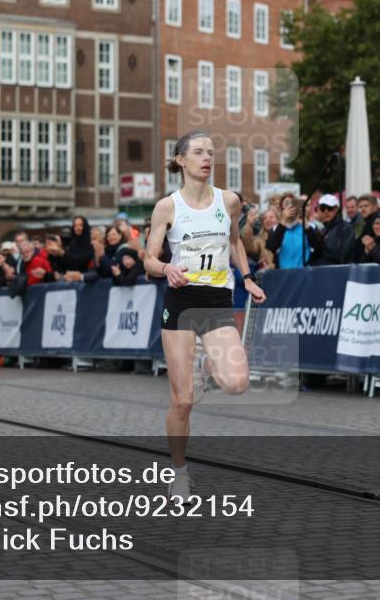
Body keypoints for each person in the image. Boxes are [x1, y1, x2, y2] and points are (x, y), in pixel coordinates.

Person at [143, 131, 266, 503]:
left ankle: (204, 359)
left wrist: (247, 276)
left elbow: (233, 242)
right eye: (198, 152)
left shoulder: (228, 201)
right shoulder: (167, 207)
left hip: (215, 301)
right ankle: (179, 473)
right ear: (180, 160)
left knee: (238, 383)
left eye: (211, 152)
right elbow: (149, 259)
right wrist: (166, 270)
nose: (207, 157)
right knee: (182, 401)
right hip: (180, 302)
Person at [265, 192, 322, 269]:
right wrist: (283, 223)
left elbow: (319, 248)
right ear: (282, 209)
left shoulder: (310, 226)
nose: (290, 208)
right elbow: (271, 246)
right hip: (283, 274)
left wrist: (307, 227)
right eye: (286, 204)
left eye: (292, 204)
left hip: (304, 274)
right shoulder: (276, 229)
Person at [311, 194, 353, 265]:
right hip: (321, 271)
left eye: (330, 208)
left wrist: (321, 247)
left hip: (338, 272)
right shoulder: (323, 229)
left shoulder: (346, 227)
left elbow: (339, 255)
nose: (326, 211)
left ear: (336, 209)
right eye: (323, 208)